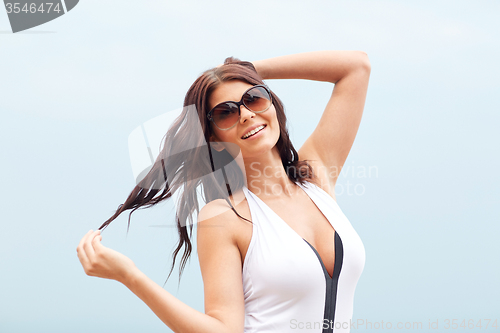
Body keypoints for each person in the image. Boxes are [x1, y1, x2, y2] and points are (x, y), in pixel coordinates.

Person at [76, 50, 371, 333]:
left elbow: (356, 66)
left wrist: (245, 70)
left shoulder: (316, 177)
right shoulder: (225, 217)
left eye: (254, 98)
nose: (245, 115)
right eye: (225, 112)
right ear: (215, 140)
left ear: (272, 105)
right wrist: (130, 276)